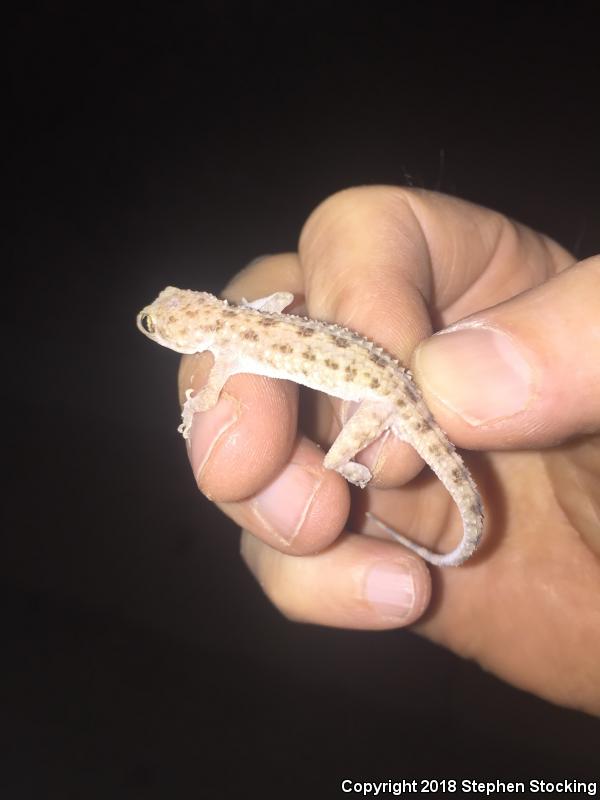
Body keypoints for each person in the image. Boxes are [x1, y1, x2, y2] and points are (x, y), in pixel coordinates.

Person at [177, 186, 600, 717]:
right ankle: (377, 484)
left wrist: (195, 410)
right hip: (385, 383)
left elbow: (212, 394)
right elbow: (282, 302)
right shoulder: (240, 327)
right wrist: (249, 307)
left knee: (332, 464)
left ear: (187, 335)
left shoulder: (226, 354)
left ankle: (350, 470)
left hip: (382, 400)